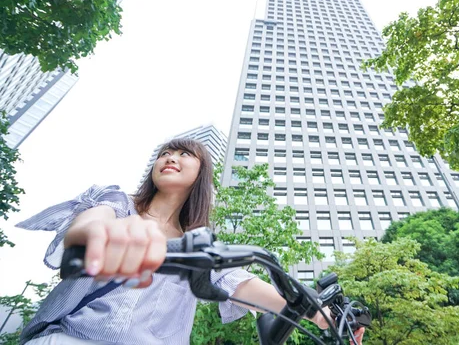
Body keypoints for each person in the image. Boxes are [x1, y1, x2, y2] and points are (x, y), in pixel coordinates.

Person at [16, 138, 365, 344]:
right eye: (165, 153)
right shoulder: (119, 206)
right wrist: (108, 234)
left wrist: (320, 313)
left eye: (185, 154)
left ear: (201, 173)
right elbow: (89, 226)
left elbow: (248, 286)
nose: (171, 157)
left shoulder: (201, 247)